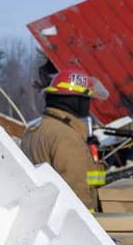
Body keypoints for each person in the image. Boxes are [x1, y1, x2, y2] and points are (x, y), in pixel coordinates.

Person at [20, 71, 107, 209]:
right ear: (76, 100)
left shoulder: (34, 130)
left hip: (43, 213)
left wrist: (92, 159)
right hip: (68, 219)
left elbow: (89, 178)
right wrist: (90, 219)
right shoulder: (66, 137)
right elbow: (77, 190)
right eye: (87, 99)